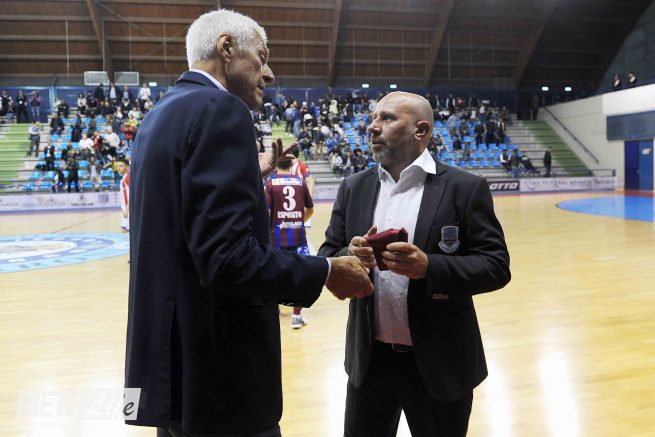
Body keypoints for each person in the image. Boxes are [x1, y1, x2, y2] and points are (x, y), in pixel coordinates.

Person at [124, 10, 373, 437]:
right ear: (227, 48)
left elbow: (185, 227)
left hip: (176, 371)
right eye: (262, 57)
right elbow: (227, 260)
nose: (269, 74)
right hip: (223, 381)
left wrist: (248, 176)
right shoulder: (221, 110)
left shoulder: (161, 114)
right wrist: (327, 270)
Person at [318, 91, 511, 437]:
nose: (373, 126)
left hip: (440, 365)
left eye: (387, 118)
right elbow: (327, 254)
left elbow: (496, 266)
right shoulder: (353, 187)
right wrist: (348, 256)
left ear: (420, 130)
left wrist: (429, 268)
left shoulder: (465, 188)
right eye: (374, 117)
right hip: (369, 363)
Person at [265, 159, 314, 329]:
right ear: (292, 164)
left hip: (275, 237)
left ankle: (275, 310)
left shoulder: (270, 183)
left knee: (274, 274)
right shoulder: (300, 182)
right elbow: (310, 209)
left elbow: (267, 213)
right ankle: (296, 316)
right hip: (298, 236)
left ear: (276, 163)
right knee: (299, 274)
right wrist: (299, 222)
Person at [117, 158, 130, 232]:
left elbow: (133, 194)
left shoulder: (128, 177)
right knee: (124, 230)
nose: (118, 168)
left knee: (126, 230)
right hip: (126, 208)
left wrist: (127, 209)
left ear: (127, 167)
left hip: (129, 209)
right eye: (118, 166)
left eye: (121, 166)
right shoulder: (124, 178)